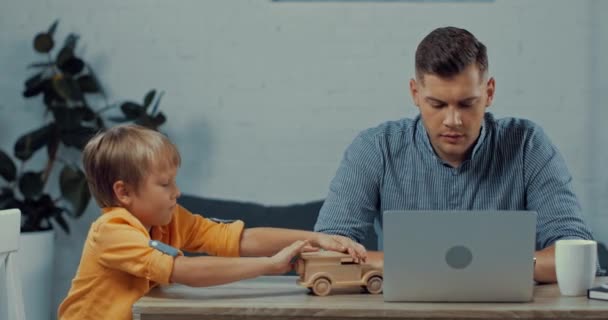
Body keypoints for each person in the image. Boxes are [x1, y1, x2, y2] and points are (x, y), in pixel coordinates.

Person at [314, 26, 594, 283]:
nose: (453, 121)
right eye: (436, 104)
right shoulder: (376, 148)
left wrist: (419, 265)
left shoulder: (527, 145)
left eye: (467, 104)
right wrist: (499, 265)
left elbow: (576, 255)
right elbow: (325, 254)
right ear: (415, 93)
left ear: (489, 92)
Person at [58, 124, 366, 320]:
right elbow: (185, 271)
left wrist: (316, 238)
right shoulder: (112, 231)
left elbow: (237, 239)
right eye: (165, 184)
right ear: (123, 192)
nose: (176, 192)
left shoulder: (170, 220)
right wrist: (268, 266)